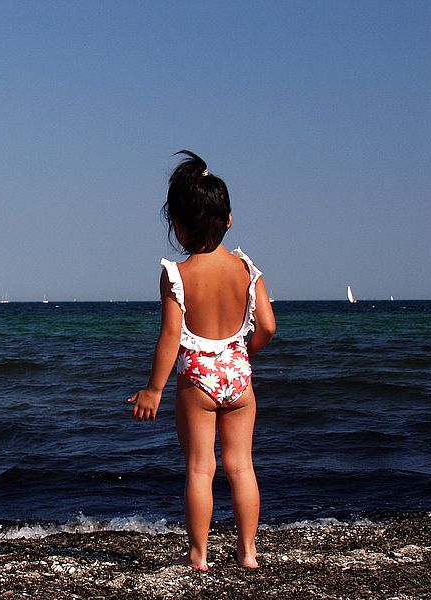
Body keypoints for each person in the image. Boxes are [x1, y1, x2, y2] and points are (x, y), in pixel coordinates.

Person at [128, 150, 275, 570]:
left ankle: (199, 554)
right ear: (228, 219)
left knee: (200, 468)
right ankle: (247, 553)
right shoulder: (247, 269)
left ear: (177, 225)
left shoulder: (177, 274)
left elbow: (172, 336)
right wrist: (244, 354)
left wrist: (154, 389)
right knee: (241, 466)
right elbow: (267, 326)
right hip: (238, 376)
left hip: (198, 379)